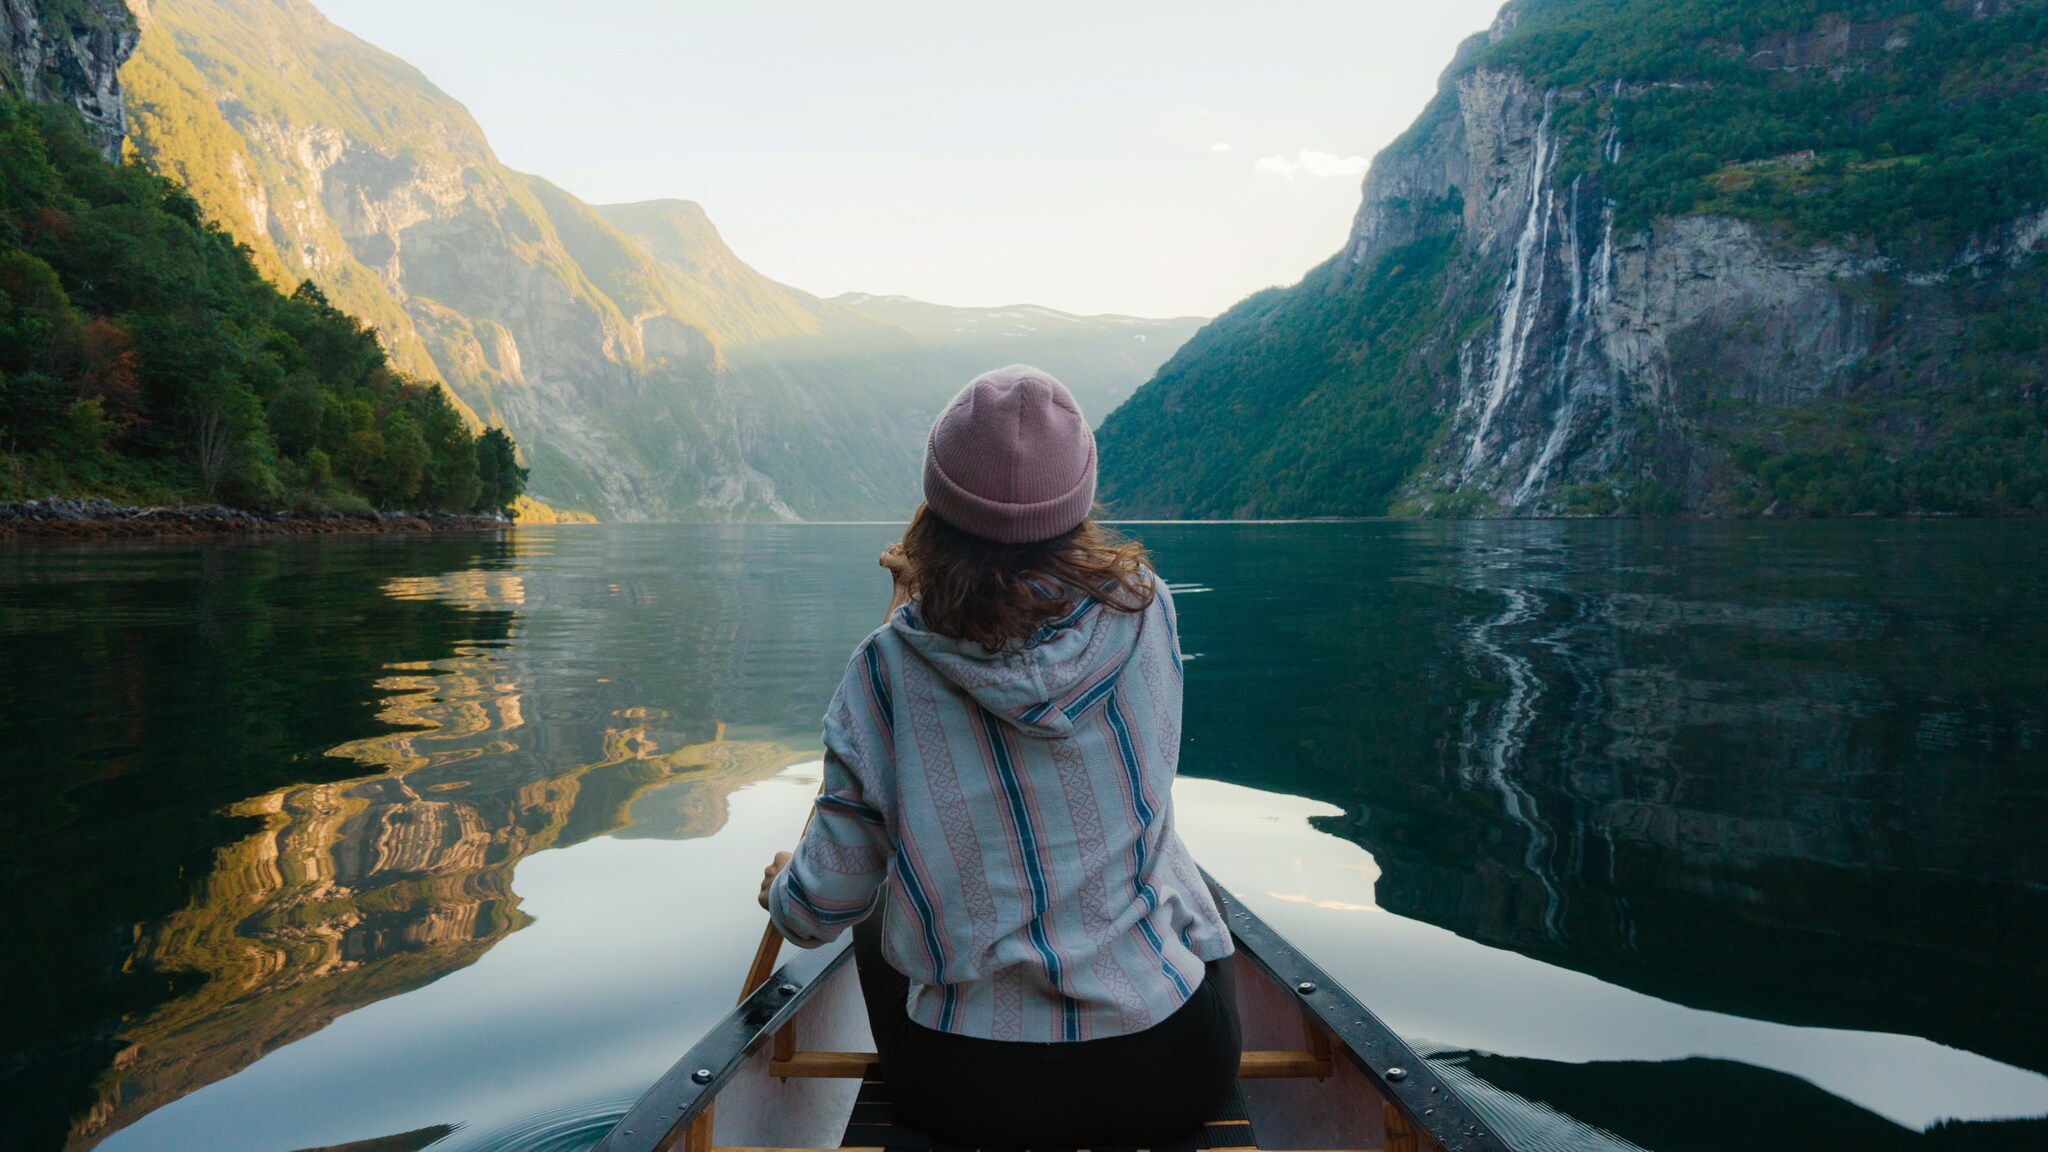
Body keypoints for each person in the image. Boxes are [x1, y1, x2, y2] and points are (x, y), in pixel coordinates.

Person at [756, 365, 1240, 1146]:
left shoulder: (884, 669)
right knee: (1186, 903)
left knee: (878, 901)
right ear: (1077, 502)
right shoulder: (1149, 610)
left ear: (936, 507)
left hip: (969, 1090)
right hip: (1167, 1068)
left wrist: (783, 891)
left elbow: (820, 911)